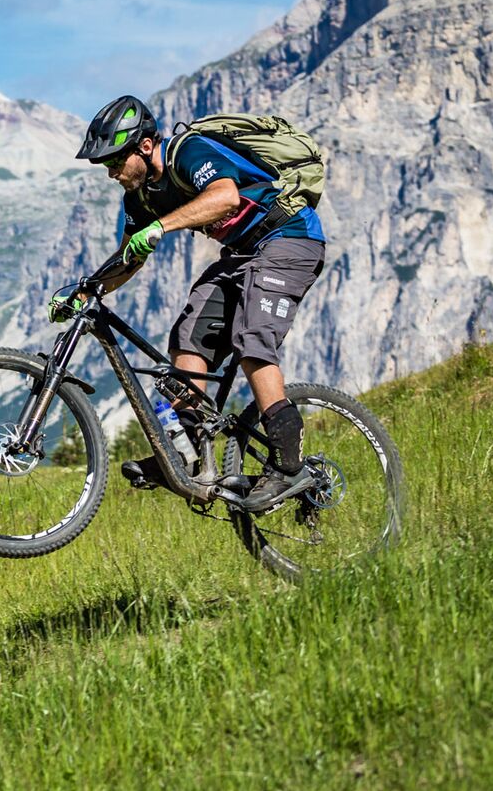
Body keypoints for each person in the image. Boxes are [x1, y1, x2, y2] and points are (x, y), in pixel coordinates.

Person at [61, 93, 327, 511]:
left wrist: (160, 227)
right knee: (188, 339)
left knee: (251, 336)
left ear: (144, 146)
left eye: (115, 161)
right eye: (105, 165)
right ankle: (187, 453)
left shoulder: (188, 152)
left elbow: (226, 197)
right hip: (242, 254)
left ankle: (289, 465)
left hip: (289, 239)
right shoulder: (139, 197)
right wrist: (86, 290)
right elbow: (129, 257)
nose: (111, 173)